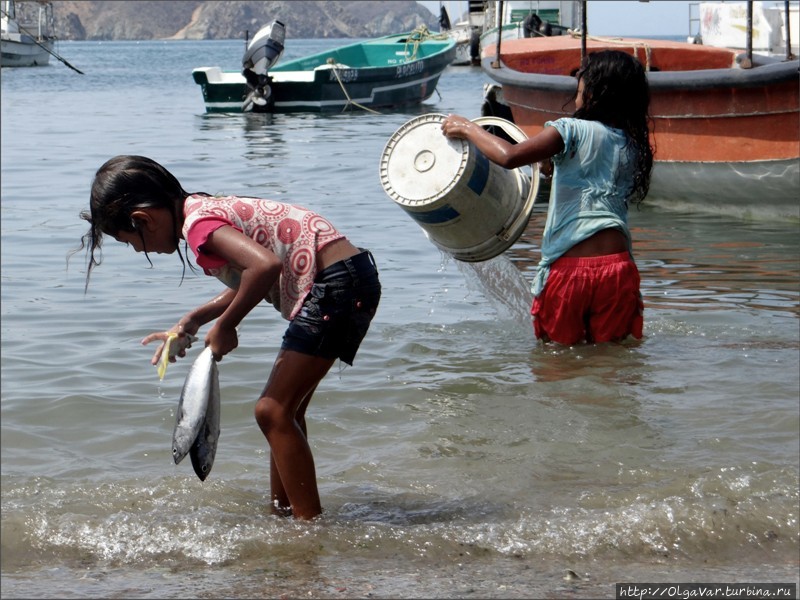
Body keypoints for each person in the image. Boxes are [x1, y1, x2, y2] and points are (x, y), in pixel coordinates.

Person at [75, 155, 381, 519]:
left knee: (271, 410)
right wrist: (196, 319)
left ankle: (309, 528)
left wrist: (227, 325)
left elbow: (264, 266)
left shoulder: (199, 226)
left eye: (131, 242)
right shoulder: (203, 210)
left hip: (334, 284)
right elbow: (247, 277)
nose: (140, 250)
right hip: (346, 276)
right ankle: (283, 511)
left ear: (143, 219)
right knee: (287, 412)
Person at [442, 49, 653, 345]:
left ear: (595, 90)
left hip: (570, 272)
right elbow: (593, 176)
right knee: (611, 366)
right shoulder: (632, 145)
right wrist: (554, 166)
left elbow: (511, 156)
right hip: (617, 270)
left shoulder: (570, 130)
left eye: (582, 79)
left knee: (556, 367)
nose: (577, 82)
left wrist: (467, 128)